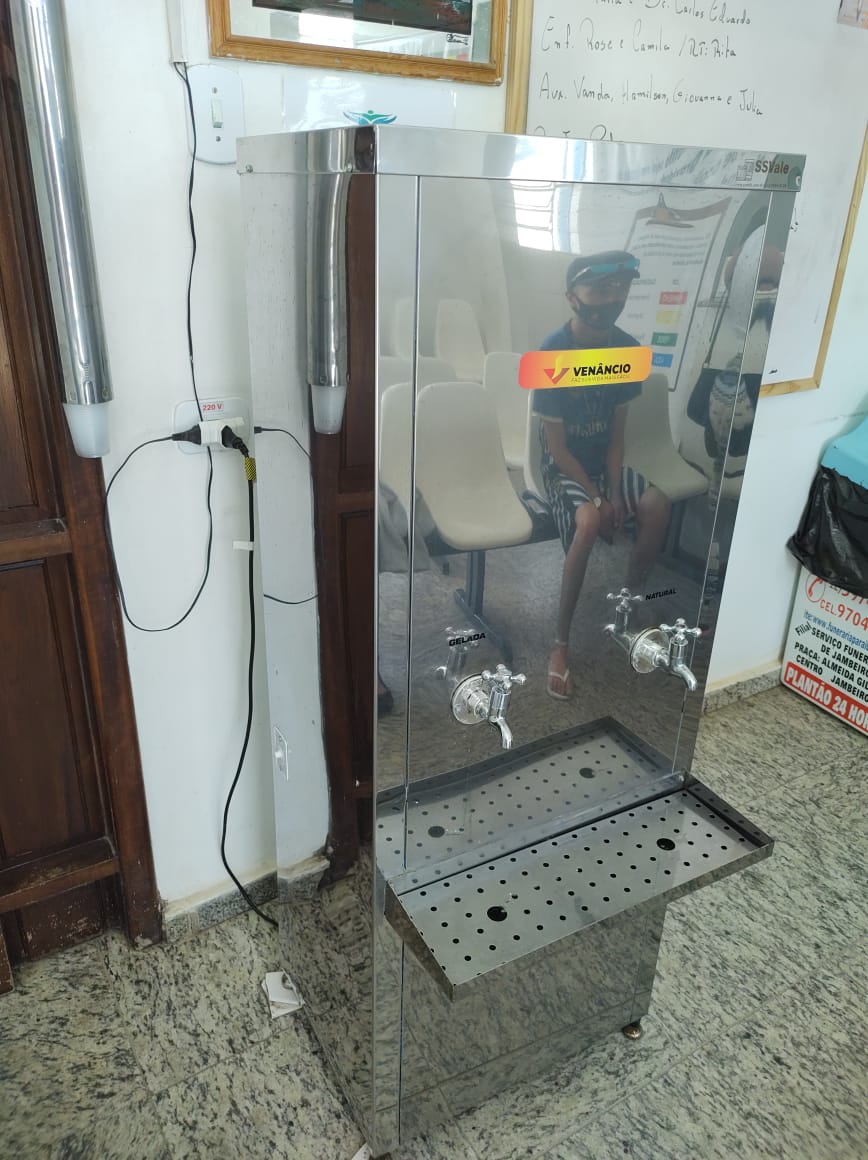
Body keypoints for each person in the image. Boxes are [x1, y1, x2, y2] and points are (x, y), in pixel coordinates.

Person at [533, 250, 671, 700]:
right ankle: (560, 644)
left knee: (656, 503)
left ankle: (629, 605)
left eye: (619, 287)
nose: (611, 297)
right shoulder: (552, 352)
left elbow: (616, 437)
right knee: (590, 520)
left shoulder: (627, 350)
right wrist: (597, 498)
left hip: (602, 464)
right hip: (563, 468)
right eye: (598, 288)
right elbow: (556, 450)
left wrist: (613, 490)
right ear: (572, 297)